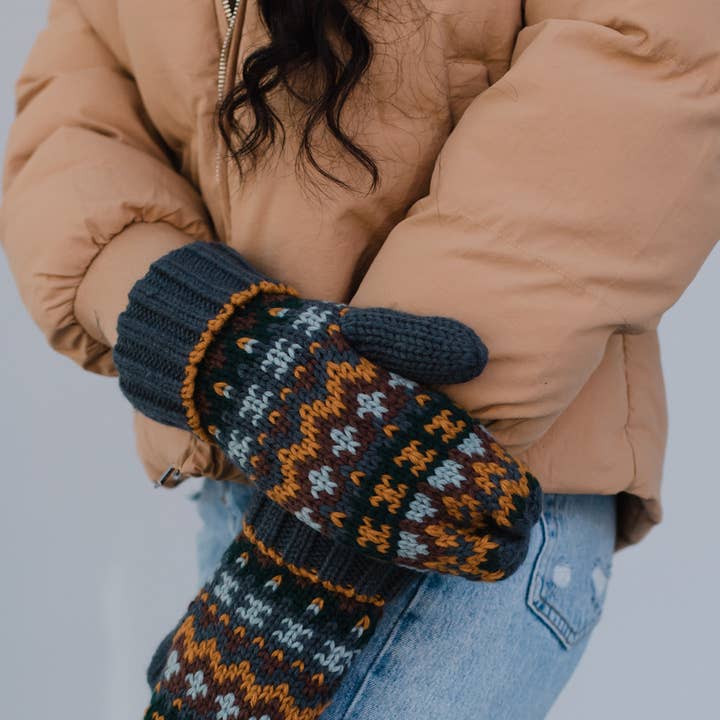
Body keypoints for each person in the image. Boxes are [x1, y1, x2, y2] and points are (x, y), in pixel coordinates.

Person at [1, 1, 718, 718]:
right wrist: (203, 333)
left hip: (464, 493)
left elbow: (647, 72)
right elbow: (71, 113)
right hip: (245, 475)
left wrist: (346, 501)